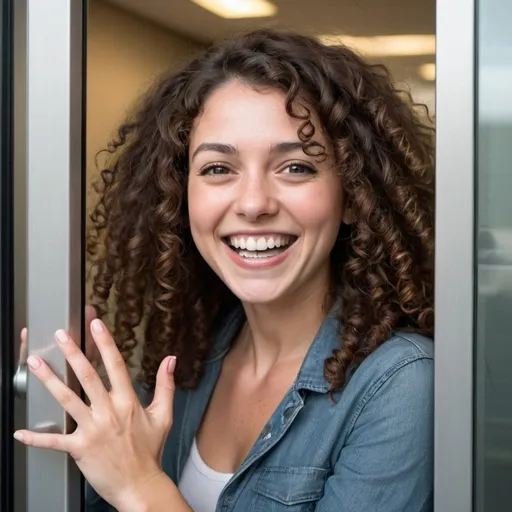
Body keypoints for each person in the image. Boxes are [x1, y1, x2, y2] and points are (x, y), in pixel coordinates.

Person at [14, 29, 435, 511]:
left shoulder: (402, 385)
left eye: (295, 167)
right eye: (218, 169)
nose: (254, 204)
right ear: (181, 195)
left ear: (354, 198)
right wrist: (86, 420)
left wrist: (140, 486)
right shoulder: (193, 356)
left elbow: (137, 491)